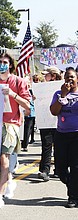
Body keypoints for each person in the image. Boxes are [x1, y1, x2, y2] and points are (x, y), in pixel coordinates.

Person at [0, 53, 30, 209]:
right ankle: (9, 179)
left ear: (11, 65)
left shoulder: (18, 81)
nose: (1, 64)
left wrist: (13, 94)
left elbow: (27, 105)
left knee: (4, 157)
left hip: (11, 124)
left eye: (5, 62)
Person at [50, 67, 78, 208]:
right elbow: (54, 112)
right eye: (67, 76)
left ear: (77, 79)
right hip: (61, 134)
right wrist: (63, 95)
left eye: (72, 76)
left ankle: (72, 197)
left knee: (75, 167)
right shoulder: (58, 94)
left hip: (76, 135)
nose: (69, 79)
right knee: (60, 169)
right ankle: (74, 186)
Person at [38, 66, 61, 182]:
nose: (44, 77)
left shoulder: (62, 88)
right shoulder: (41, 88)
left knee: (58, 146)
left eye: (47, 74)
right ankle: (44, 170)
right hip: (45, 119)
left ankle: (58, 169)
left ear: (53, 76)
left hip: (58, 121)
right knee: (46, 145)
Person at [21, 76, 36, 151]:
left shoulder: (32, 91)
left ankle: (26, 143)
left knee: (29, 129)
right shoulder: (23, 91)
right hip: (24, 112)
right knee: (25, 129)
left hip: (32, 113)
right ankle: (23, 143)